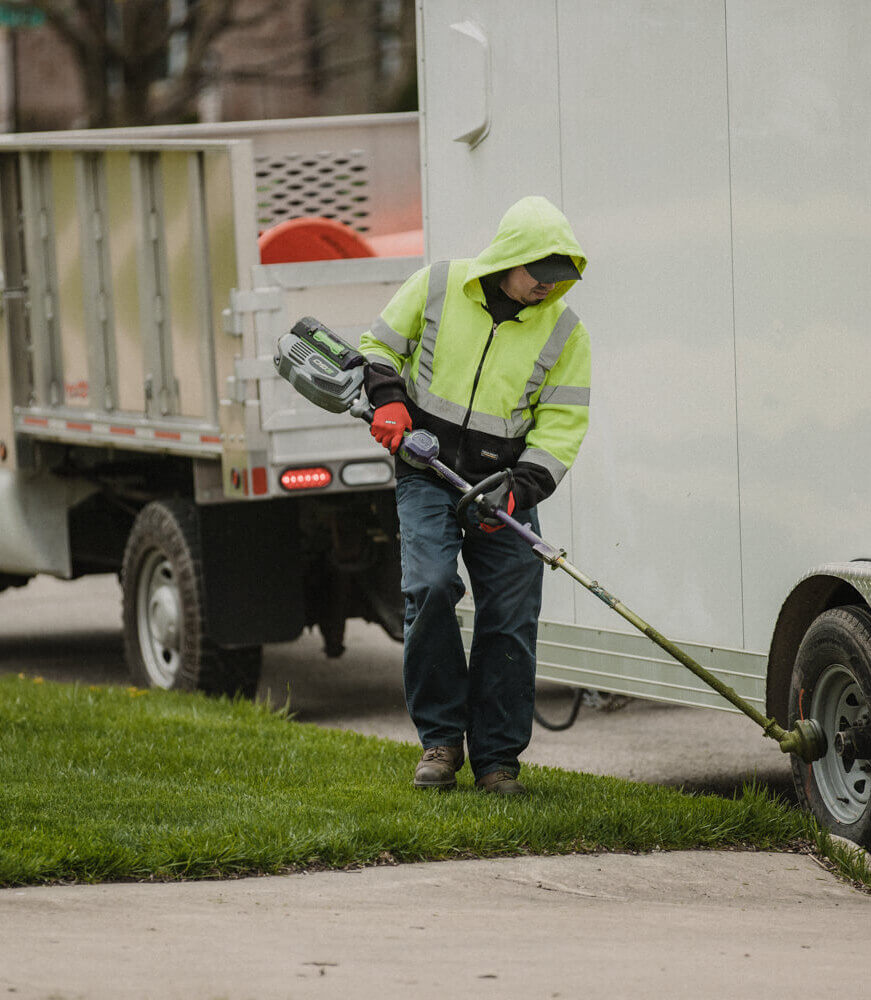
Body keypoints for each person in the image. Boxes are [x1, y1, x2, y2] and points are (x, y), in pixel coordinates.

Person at [359, 195, 590, 795]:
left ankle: (497, 761)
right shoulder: (436, 284)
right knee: (430, 588)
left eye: (557, 280)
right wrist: (388, 400)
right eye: (537, 277)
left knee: (510, 618)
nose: (545, 290)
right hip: (426, 473)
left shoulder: (566, 333)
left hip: (504, 490)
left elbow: (561, 428)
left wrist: (521, 490)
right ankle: (440, 741)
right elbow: (377, 347)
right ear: (507, 258)